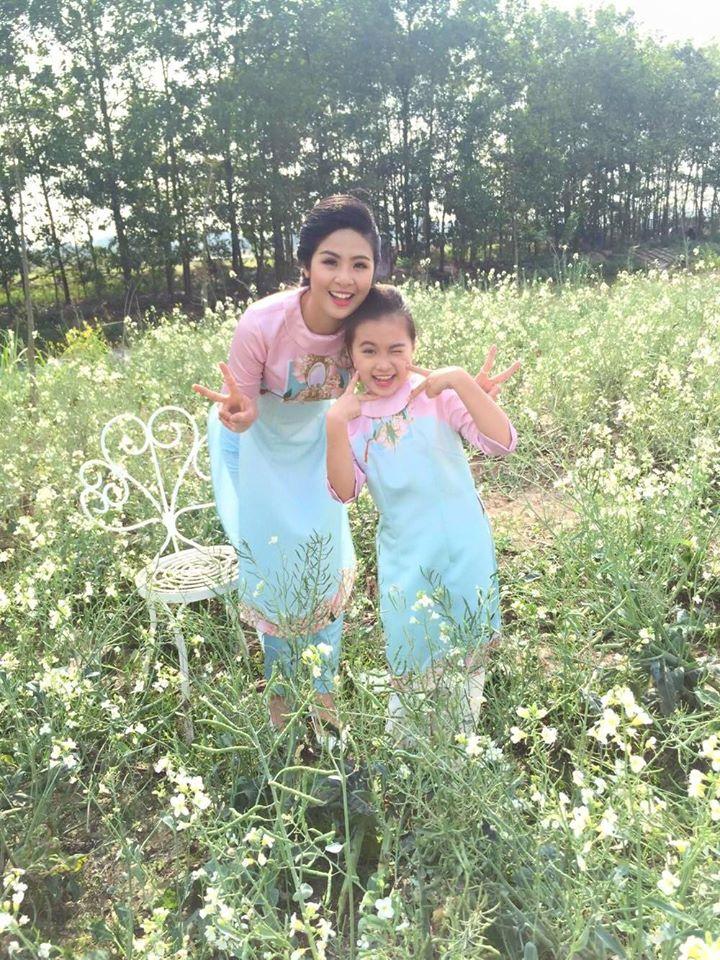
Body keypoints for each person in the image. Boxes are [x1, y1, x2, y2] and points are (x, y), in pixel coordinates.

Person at [193, 195, 381, 731]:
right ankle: (280, 706)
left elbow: (395, 370)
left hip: (320, 444)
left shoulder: (368, 318)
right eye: (330, 261)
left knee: (324, 569)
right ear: (305, 264)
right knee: (275, 576)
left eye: (360, 264)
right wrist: (239, 412)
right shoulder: (263, 322)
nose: (345, 278)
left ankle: (323, 702)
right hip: (256, 449)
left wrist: (456, 392)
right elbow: (243, 406)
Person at [325, 285, 517, 734]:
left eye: (396, 349)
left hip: (465, 548)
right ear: (350, 355)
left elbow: (502, 443)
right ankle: (410, 750)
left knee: (467, 652)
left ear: (413, 348)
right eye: (369, 350)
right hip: (406, 557)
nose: (384, 363)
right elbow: (344, 492)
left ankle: (460, 743)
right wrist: (335, 424)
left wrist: (464, 383)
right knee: (413, 650)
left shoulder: (435, 395)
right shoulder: (350, 417)